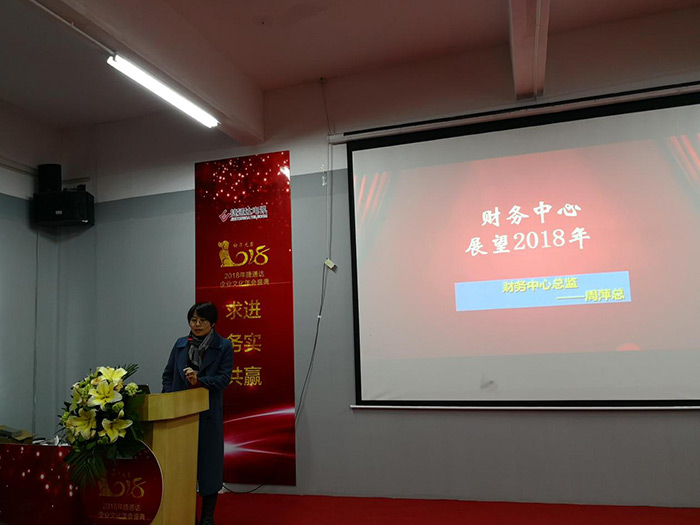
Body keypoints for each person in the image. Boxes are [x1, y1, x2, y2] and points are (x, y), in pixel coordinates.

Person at [162, 302, 234, 525]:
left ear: (213, 323)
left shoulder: (224, 346)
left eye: (203, 320)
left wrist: (200, 380)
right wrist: (169, 397)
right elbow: (168, 374)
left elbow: (224, 379)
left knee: (209, 468)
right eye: (193, 320)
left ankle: (207, 517)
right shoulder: (180, 344)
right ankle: (186, 514)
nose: (197, 324)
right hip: (180, 415)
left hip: (208, 415)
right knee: (182, 467)